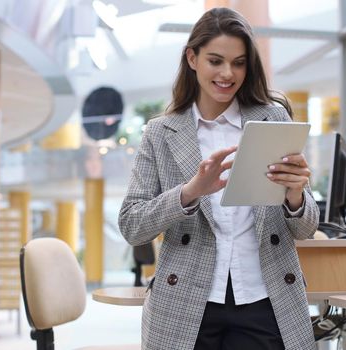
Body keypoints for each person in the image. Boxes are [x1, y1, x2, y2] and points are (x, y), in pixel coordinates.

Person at [119, 7, 318, 350]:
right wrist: (190, 192)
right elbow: (131, 225)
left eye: (239, 63)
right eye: (216, 61)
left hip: (264, 297)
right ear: (192, 58)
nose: (228, 73)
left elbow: (305, 228)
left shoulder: (273, 118)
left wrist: (296, 196)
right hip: (186, 302)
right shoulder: (161, 132)